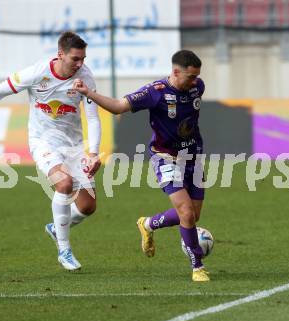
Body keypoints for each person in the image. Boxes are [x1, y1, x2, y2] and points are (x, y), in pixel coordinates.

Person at [0, 31, 101, 271]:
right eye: (75, 59)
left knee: (88, 206)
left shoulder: (85, 77)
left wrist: (94, 152)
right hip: (43, 141)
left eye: (83, 59)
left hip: (73, 145)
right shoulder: (38, 73)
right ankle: (64, 250)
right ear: (60, 54)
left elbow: (93, 116)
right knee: (64, 183)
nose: (80, 64)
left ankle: (55, 228)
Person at [73, 50, 210, 282]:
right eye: (190, 77)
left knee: (192, 215)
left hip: (193, 158)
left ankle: (147, 224)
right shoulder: (154, 93)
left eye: (197, 77)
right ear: (176, 72)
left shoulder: (198, 87)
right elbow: (117, 106)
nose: (194, 81)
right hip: (166, 158)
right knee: (185, 212)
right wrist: (89, 93)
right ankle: (197, 266)